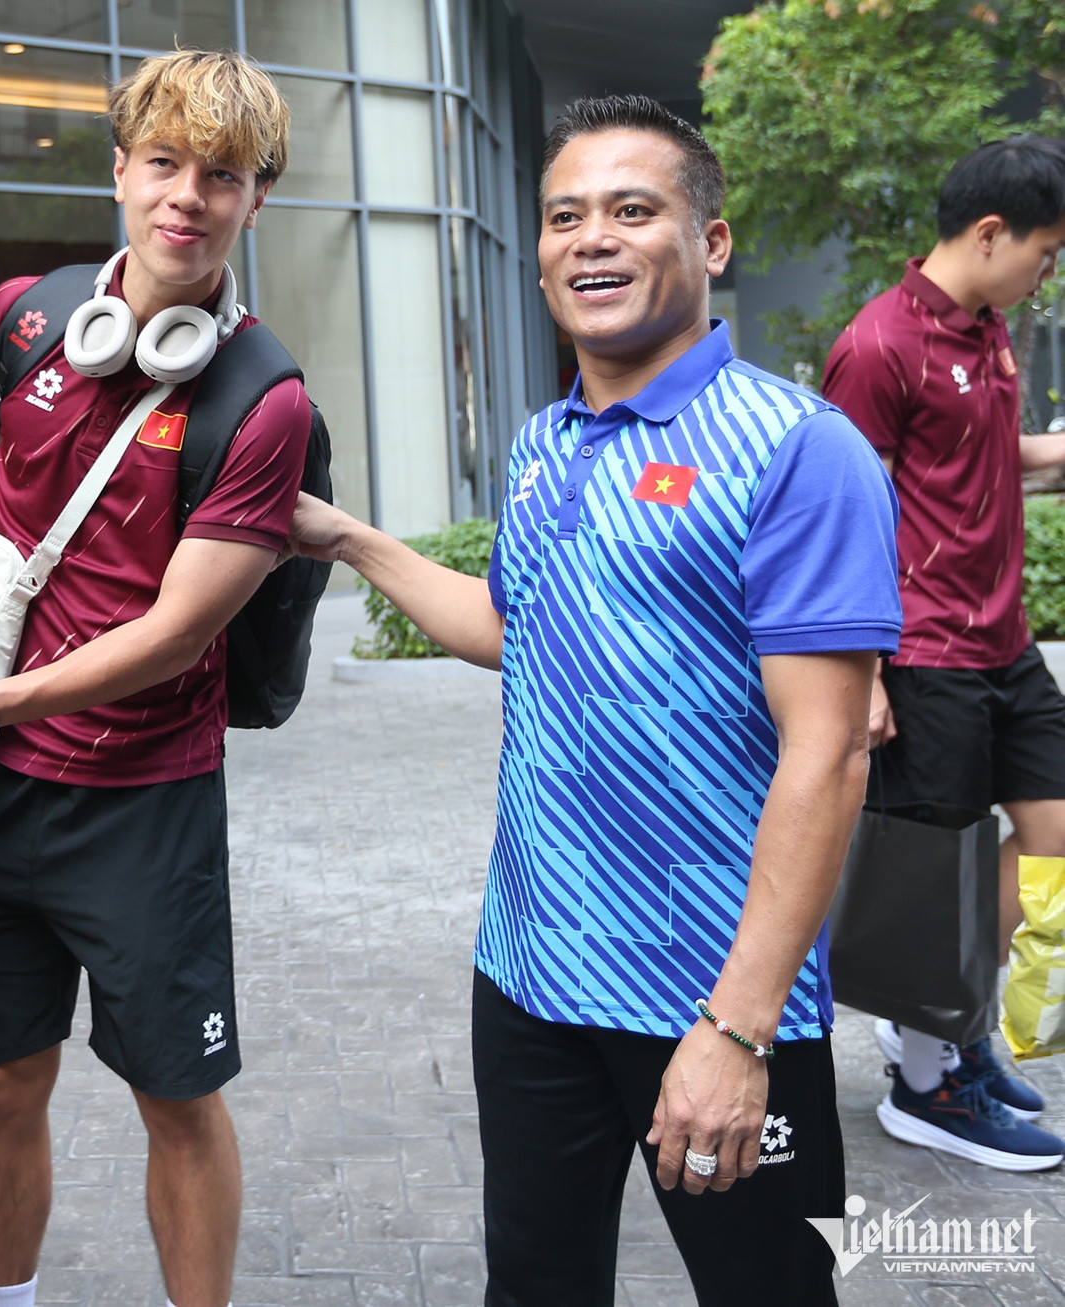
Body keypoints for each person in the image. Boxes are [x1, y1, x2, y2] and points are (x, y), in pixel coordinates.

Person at [287, 96, 900, 1305]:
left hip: (711, 990)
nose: (590, 238)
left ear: (710, 241)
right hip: (527, 973)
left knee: (770, 1290)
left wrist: (736, 1030)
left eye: (631, 209)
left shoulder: (796, 448)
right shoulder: (543, 443)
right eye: (564, 216)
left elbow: (827, 754)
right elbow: (513, 629)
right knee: (534, 1282)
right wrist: (350, 539)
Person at [0, 49, 309, 1307]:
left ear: (255, 200)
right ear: (120, 172)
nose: (187, 195)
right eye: (164, 163)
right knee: (0, 1078)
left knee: (177, 1098)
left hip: (146, 800)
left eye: (221, 175)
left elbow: (179, 633)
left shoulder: (263, 398)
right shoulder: (25, 318)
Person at [823, 134, 1065, 1170]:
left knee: (1053, 839)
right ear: (991, 233)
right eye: (1047, 252)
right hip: (924, 651)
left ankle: (943, 1021)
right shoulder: (878, 345)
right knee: (937, 874)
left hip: (1005, 643)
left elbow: (985, 458)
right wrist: (866, 673)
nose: (1048, 272)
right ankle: (928, 1085)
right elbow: (843, 512)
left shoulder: (987, 329)